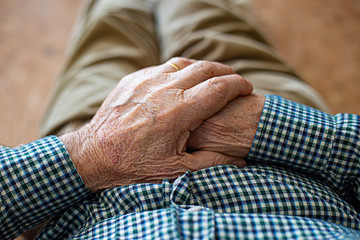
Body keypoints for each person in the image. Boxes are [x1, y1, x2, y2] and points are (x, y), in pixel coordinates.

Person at [1, 0, 359, 239]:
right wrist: (289, 131)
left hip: (73, 192)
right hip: (289, 157)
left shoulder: (91, 151)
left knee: (107, 33)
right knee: (212, 21)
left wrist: (92, 152)